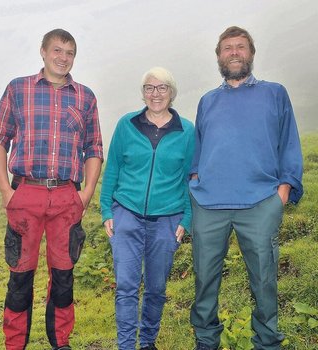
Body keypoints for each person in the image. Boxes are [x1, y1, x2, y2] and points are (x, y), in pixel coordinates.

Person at [0, 28, 103, 350]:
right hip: (26, 193)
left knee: (64, 276)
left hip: (67, 196)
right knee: (20, 277)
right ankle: (14, 345)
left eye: (69, 52)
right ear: (43, 51)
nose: (63, 57)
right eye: (57, 50)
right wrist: (6, 192)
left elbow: (94, 148)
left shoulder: (85, 97)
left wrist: (87, 193)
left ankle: (60, 342)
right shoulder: (18, 89)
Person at [189, 26, 304, 350]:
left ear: (251, 53)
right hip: (210, 206)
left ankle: (267, 343)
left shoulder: (275, 93)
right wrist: (195, 179)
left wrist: (282, 191)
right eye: (228, 48)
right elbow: (199, 147)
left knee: (264, 280)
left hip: (259, 203)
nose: (234, 52)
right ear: (219, 56)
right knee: (204, 281)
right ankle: (206, 341)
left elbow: (289, 143)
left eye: (241, 47)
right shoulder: (207, 101)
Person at [100, 67, 195, 350]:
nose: (156, 94)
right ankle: (127, 345)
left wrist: (187, 218)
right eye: (149, 88)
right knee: (126, 287)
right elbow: (113, 168)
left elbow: (191, 176)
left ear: (172, 92)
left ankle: (148, 343)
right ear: (143, 93)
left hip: (168, 219)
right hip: (126, 215)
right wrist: (107, 210)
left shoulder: (187, 131)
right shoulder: (126, 125)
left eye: (162, 87)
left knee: (156, 288)